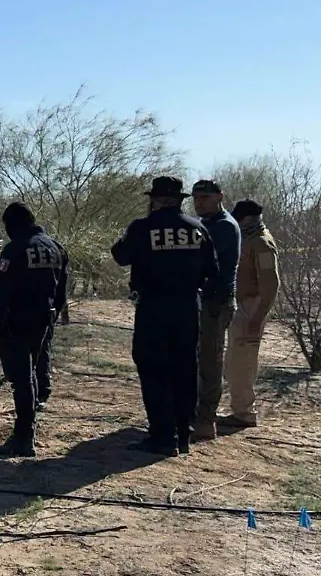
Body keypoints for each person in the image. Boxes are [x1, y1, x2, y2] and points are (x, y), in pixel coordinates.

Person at [112, 176, 218, 456]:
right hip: (188, 306)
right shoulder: (198, 229)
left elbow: (120, 256)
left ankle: (162, 436)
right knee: (185, 369)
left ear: (155, 199)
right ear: (179, 200)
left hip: (154, 307)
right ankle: (183, 434)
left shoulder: (142, 227)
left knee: (154, 369)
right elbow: (213, 271)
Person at [0, 203, 68, 457]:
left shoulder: (16, 248)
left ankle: (23, 437)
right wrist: (52, 315)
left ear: (12, 224)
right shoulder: (55, 248)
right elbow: (61, 290)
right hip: (42, 320)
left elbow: (0, 291)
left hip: (16, 321)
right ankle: (26, 432)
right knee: (30, 374)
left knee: (22, 379)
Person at [218, 199, 279, 430]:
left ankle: (244, 413)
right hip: (242, 306)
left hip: (251, 307)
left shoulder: (262, 243)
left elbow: (271, 284)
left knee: (242, 364)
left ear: (249, 219)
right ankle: (240, 410)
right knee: (234, 362)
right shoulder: (249, 239)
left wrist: (257, 317)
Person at [190, 180, 242, 440]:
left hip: (215, 302)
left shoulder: (223, 226)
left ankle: (206, 419)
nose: (199, 202)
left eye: (205, 197)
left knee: (210, 361)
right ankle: (193, 415)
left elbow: (204, 264)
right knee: (197, 359)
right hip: (202, 300)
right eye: (196, 197)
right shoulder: (206, 224)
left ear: (219, 197)